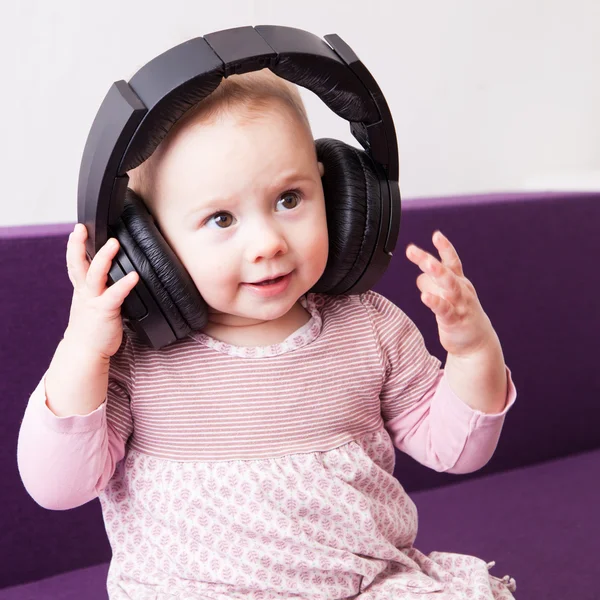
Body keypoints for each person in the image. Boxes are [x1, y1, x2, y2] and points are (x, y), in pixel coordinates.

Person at [17, 68, 518, 599]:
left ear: (339, 194)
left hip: (363, 585)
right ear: (149, 245)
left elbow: (457, 452)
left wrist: (470, 349)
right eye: (221, 219)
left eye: (288, 199)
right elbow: (58, 487)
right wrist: (83, 350)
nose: (267, 243)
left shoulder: (369, 327)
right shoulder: (132, 356)